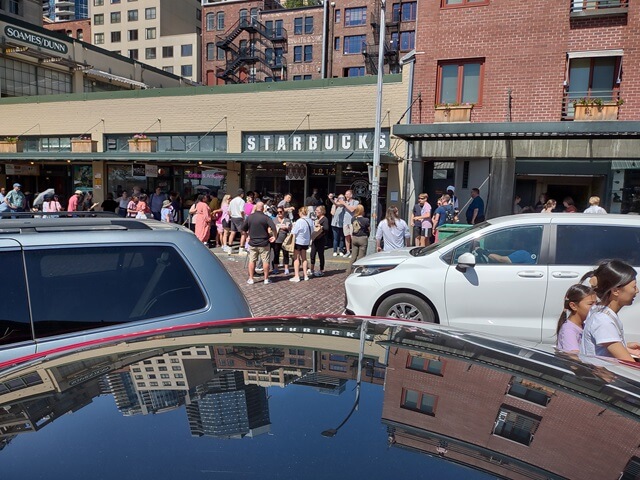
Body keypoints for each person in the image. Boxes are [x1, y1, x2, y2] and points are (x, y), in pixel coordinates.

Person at [580, 260, 640, 361]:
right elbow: (628, 363)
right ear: (615, 290)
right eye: (634, 287)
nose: (637, 290)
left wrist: (625, 347)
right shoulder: (603, 321)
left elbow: (604, 349)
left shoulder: (599, 311)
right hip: (602, 376)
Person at [242, 202, 277, 285]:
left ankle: (251, 278)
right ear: (263, 208)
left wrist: (247, 236)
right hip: (264, 242)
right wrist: (274, 236)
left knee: (252, 260)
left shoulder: (250, 217)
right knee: (265, 261)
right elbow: (274, 227)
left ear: (256, 207)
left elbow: (243, 229)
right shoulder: (266, 218)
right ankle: (266, 279)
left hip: (253, 242)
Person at [556, 284, 597, 353]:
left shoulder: (584, 324)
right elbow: (574, 358)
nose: (595, 307)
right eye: (590, 304)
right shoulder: (569, 330)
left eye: (596, 303)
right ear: (573, 306)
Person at [290, 206, 314, 282]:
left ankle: (297, 276)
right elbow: (313, 230)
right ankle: (305, 275)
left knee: (296, 258)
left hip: (298, 241)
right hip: (306, 241)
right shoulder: (310, 221)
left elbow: (294, 232)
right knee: (304, 258)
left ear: (301, 212)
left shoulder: (299, 221)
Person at [309, 205, 330, 277]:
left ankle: (321, 270)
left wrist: (320, 226)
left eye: (317, 210)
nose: (316, 212)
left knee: (321, 254)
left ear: (322, 211)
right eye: (316, 210)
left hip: (321, 239)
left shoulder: (325, 219)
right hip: (315, 238)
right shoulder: (317, 218)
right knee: (312, 254)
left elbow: (327, 228)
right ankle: (312, 269)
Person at [337, 190, 359, 258]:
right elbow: (337, 204)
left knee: (353, 237)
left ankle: (354, 252)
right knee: (347, 236)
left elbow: (352, 210)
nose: (346, 196)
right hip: (345, 222)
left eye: (347, 194)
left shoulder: (355, 202)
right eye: (345, 194)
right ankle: (348, 251)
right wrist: (332, 199)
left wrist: (344, 203)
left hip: (353, 222)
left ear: (351, 195)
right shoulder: (345, 202)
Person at [273, 206, 292, 275]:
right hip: (276, 239)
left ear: (283, 212)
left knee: (285, 254)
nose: (279, 213)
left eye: (280, 212)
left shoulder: (287, 220)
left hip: (285, 240)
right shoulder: (274, 220)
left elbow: (290, 228)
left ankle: (286, 268)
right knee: (276, 254)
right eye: (278, 212)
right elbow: (271, 228)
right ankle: (275, 268)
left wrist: (287, 228)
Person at [228, 189, 246, 254]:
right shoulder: (242, 201)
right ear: (242, 194)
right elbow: (242, 211)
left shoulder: (232, 201)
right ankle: (241, 249)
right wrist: (244, 218)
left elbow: (229, 211)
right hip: (239, 218)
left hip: (233, 217)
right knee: (243, 233)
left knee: (232, 232)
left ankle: (229, 249)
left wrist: (232, 215)